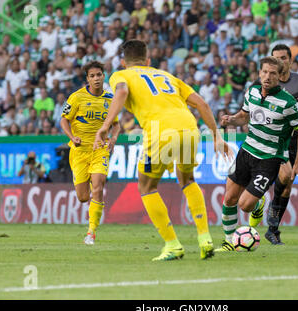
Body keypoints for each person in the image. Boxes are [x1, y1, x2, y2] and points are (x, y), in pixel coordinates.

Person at [94, 40, 232, 261]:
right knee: (187, 180)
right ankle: (205, 238)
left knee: (147, 186)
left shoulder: (121, 75)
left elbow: (120, 93)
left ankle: (172, 245)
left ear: (123, 62)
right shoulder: (168, 76)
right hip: (189, 127)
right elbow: (202, 104)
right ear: (148, 61)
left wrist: (105, 125)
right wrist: (217, 135)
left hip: (160, 131)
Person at [216, 56, 298, 252]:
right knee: (229, 199)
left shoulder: (288, 103)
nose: (268, 76)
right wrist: (231, 119)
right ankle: (228, 242)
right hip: (247, 150)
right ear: (259, 73)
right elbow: (244, 116)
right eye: (265, 72)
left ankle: (258, 204)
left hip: (269, 159)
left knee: (245, 205)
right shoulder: (252, 92)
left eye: (273, 73)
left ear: (280, 77)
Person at [252, 44, 298, 245]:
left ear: (290, 60)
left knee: (287, 185)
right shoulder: (263, 82)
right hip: (271, 140)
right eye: (275, 58)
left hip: (294, 140)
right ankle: (260, 201)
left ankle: (272, 229)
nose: (279, 62)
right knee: (281, 177)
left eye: (283, 58)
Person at [60, 61, 121, 245]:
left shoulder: (110, 99)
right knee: (83, 197)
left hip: (99, 149)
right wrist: (72, 136)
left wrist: (114, 138)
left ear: (104, 76)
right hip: (79, 151)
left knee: (98, 185)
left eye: (99, 75)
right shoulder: (76, 97)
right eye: (92, 76)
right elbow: (64, 120)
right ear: (87, 79)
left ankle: (91, 232)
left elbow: (116, 124)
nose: (96, 79)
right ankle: (91, 221)